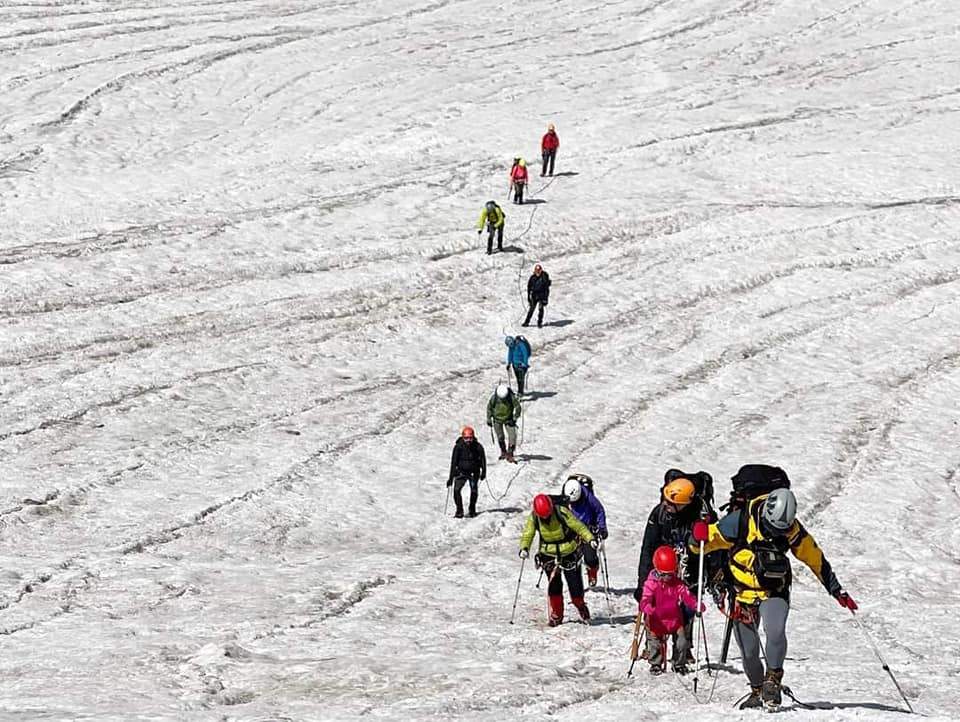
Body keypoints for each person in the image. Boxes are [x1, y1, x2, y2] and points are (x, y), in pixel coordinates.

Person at [689, 486, 857, 710]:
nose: (775, 534)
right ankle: (757, 690)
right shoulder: (738, 522)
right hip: (742, 591)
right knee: (748, 651)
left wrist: (836, 590)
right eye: (771, 528)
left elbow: (814, 558)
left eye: (780, 530)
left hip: (774, 588)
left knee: (775, 630)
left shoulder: (793, 530)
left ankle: (773, 682)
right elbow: (703, 544)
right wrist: (695, 536)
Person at [633, 472, 716, 666]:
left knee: (686, 611)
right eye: (665, 500)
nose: (666, 505)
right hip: (662, 571)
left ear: (684, 504)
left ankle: (682, 650)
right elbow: (648, 548)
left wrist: (715, 576)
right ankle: (655, 649)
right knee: (656, 611)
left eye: (671, 503)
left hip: (691, 573)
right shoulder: (659, 514)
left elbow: (715, 549)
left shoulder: (703, 517)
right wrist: (642, 583)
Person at [519, 493, 597, 626]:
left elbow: (578, 526)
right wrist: (524, 548)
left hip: (569, 552)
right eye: (542, 515)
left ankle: (580, 605)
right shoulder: (534, 517)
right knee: (554, 585)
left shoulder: (561, 512)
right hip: (548, 554)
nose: (545, 517)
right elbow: (528, 532)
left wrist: (590, 539)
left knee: (575, 585)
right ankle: (557, 615)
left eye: (547, 514)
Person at [639, 545, 705, 675]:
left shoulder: (677, 583)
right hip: (656, 620)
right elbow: (645, 599)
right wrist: (647, 607)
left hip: (674, 620)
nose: (668, 578)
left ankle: (679, 663)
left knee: (681, 642)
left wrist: (695, 604)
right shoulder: (651, 584)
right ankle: (655, 663)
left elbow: (686, 595)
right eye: (664, 575)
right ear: (657, 571)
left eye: (671, 574)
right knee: (654, 643)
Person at [561, 475, 607, 587]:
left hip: (588, 528)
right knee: (570, 557)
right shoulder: (564, 497)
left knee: (590, 557)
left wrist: (602, 528)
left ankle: (592, 571)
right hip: (572, 528)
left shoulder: (588, 496)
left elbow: (599, 510)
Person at [447, 426, 486, 518]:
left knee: (474, 490)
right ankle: (459, 510)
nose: (468, 440)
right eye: (466, 438)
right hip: (461, 472)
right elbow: (454, 462)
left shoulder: (478, 446)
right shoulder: (458, 447)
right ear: (463, 437)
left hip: (474, 472)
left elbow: (483, 460)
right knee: (456, 490)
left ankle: (472, 509)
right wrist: (451, 478)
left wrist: (484, 471)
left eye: (470, 438)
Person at [486, 384, 521, 462]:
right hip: (497, 420)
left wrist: (515, 418)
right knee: (500, 436)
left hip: (508, 419)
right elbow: (489, 408)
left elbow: (518, 407)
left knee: (512, 436)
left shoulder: (511, 397)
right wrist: (488, 419)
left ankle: (510, 453)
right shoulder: (494, 398)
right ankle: (503, 451)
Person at [523, 264, 551, 328]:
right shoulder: (532, 278)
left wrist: (545, 299)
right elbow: (529, 288)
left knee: (540, 309)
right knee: (531, 309)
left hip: (542, 295)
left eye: (539, 271)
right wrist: (529, 297)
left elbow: (546, 289)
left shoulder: (544, 277)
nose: (538, 272)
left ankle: (539, 322)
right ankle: (526, 322)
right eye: (536, 271)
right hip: (534, 295)